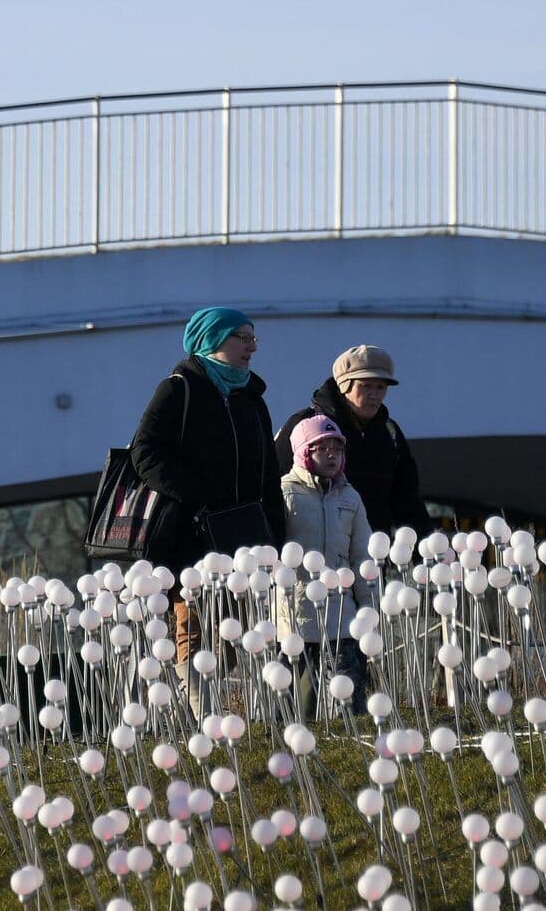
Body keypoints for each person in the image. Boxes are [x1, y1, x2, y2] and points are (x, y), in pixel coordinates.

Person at [130, 307, 288, 689]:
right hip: (191, 535)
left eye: (253, 338)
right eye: (242, 338)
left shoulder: (252, 398)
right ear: (213, 341)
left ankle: (236, 718)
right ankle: (198, 714)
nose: (251, 347)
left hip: (245, 536)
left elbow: (268, 471)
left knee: (239, 631)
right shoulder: (178, 389)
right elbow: (145, 452)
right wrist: (199, 496)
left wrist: (275, 532)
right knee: (195, 627)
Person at [275, 344, 429, 537]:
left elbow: (407, 499)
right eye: (366, 386)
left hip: (375, 553)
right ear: (344, 385)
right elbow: (274, 486)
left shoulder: (390, 432)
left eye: (381, 387)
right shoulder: (305, 425)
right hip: (314, 555)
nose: (374, 395)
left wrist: (426, 548)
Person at [276, 415, 374, 717]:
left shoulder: (350, 497)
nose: (332, 454)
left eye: (338, 448)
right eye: (322, 447)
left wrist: (370, 607)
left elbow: (362, 556)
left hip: (341, 617)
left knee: (348, 701)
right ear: (304, 452)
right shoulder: (283, 492)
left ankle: (350, 747)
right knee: (294, 703)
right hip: (295, 618)